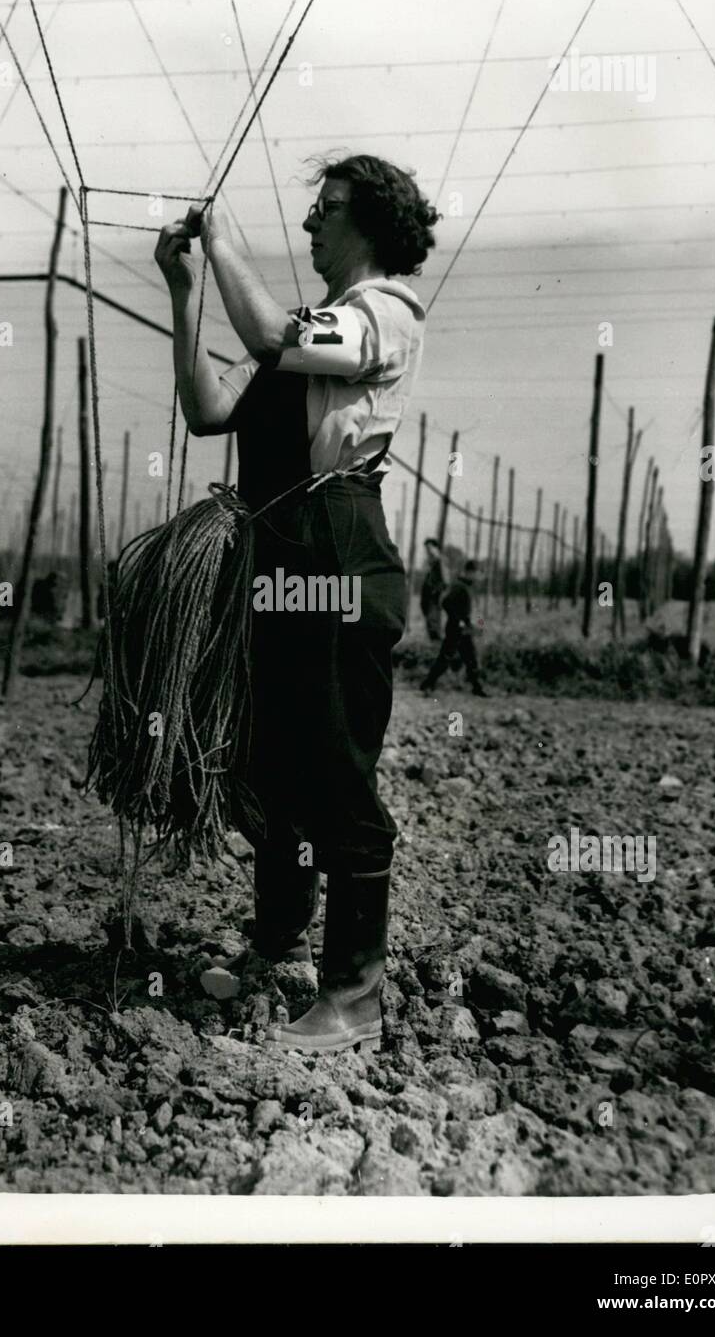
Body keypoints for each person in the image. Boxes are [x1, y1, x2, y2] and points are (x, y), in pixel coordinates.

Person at [154, 154, 437, 1053]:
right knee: (264, 763)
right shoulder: (300, 332)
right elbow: (208, 406)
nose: (311, 222)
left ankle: (354, 994)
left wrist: (228, 241)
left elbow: (276, 333)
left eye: (329, 209)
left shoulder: (383, 312)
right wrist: (187, 285)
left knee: (334, 774)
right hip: (274, 552)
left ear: (373, 223)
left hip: (336, 550)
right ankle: (275, 941)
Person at [421, 558, 488, 697]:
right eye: (477, 572)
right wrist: (458, 620)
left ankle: (477, 687)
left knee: (470, 658)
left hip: (466, 629)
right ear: (470, 572)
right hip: (456, 629)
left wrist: (480, 624)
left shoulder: (470, 587)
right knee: (446, 658)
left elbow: (475, 609)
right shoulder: (459, 586)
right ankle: (428, 684)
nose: (479, 576)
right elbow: (445, 603)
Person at [420, 537, 445, 640]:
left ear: (436, 548)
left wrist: (436, 591)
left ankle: (436, 640)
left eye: (430, 548)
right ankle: (433, 640)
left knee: (432, 618)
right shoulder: (430, 562)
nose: (428, 551)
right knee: (428, 617)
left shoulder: (441, 562)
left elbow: (445, 580)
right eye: (426, 548)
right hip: (427, 594)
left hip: (434, 595)